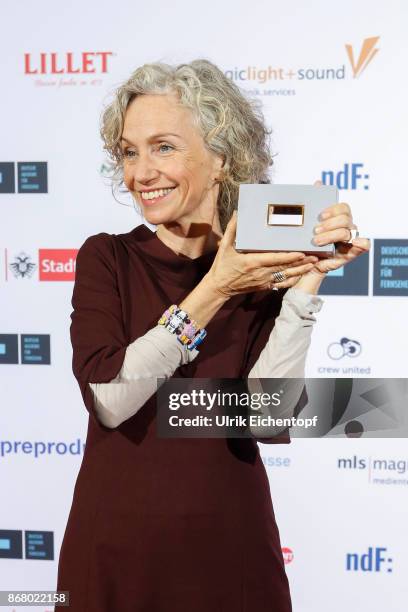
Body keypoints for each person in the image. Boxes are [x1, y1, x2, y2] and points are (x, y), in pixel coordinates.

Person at [55, 59, 369, 611]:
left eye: (164, 147)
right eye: (129, 152)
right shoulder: (107, 257)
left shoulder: (260, 268)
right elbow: (109, 399)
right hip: (117, 557)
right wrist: (215, 290)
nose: (141, 172)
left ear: (221, 157)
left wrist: (306, 283)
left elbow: (266, 418)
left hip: (232, 554)